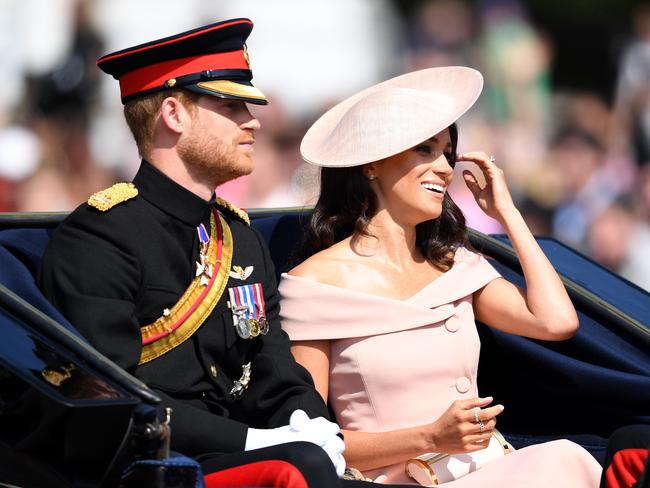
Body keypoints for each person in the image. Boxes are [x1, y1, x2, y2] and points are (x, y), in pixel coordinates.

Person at [37, 18, 400, 487]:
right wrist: (251, 441)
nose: (253, 121)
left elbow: (274, 366)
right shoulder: (100, 237)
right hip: (153, 464)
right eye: (231, 106)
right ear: (174, 114)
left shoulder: (237, 235)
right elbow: (112, 397)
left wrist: (312, 424)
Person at [279, 66, 603, 485]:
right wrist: (429, 436)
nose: (445, 167)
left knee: (566, 458)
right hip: (396, 480)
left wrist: (508, 212)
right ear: (372, 164)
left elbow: (556, 322)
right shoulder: (314, 285)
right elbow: (305, 442)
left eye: (447, 152)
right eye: (425, 150)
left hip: (487, 468)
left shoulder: (455, 268)